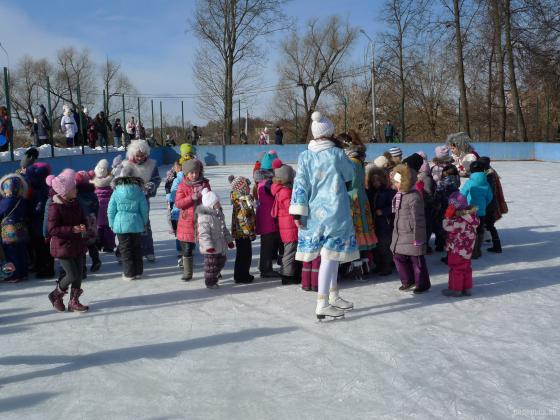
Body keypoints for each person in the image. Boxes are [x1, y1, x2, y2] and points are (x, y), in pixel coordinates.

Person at [289, 111, 357, 320]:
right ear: (329, 133)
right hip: (335, 211)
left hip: (313, 213)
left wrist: (298, 212)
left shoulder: (305, 156)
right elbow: (350, 174)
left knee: (332, 255)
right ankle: (322, 303)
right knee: (330, 255)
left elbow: (300, 185)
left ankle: (334, 295)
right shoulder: (336, 154)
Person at [46, 169, 89, 312]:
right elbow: (52, 229)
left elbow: (83, 219)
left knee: (79, 275)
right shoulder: (55, 207)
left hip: (77, 244)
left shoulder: (76, 203)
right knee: (72, 274)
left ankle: (74, 301)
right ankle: (55, 295)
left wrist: (84, 226)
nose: (76, 190)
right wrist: (72, 229)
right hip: (63, 247)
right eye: (74, 188)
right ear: (65, 191)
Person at [340, 130, 378, 278]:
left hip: (353, 199)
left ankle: (359, 268)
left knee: (356, 236)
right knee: (359, 235)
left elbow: (352, 183)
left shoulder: (353, 162)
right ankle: (363, 266)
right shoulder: (357, 160)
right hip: (360, 198)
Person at [390, 163, 431, 294]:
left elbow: (418, 219)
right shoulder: (399, 195)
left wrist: (418, 238)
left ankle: (422, 283)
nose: (395, 185)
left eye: (397, 182)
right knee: (398, 257)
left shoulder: (414, 197)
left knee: (416, 261)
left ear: (405, 182)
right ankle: (407, 281)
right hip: (400, 234)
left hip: (412, 235)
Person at [117, 140, 161, 261]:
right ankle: (124, 252)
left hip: (143, 200)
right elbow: (120, 181)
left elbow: (156, 179)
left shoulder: (151, 164)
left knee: (144, 223)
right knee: (127, 224)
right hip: (128, 201)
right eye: (137, 155)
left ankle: (148, 250)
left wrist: (151, 186)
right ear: (132, 154)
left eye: (143, 155)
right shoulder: (126, 165)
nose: (140, 158)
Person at [175, 159, 211, 281]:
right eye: (191, 173)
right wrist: (192, 197)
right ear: (186, 174)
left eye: (196, 172)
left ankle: (212, 269)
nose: (194, 175)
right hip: (187, 222)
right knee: (187, 249)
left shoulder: (205, 184)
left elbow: (211, 199)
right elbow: (179, 203)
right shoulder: (182, 186)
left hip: (203, 220)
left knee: (207, 246)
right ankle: (187, 272)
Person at [441, 192, 479, 297]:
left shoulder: (458, 220)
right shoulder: (471, 217)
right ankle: (467, 288)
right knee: (466, 268)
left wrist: (447, 217)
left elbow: (446, 226)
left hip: (456, 249)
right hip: (467, 250)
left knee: (456, 269)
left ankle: (455, 289)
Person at [197, 189, 234, 289]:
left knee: (222, 260)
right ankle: (210, 282)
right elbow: (203, 234)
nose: (219, 204)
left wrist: (229, 241)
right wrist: (208, 246)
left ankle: (215, 275)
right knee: (211, 266)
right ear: (211, 204)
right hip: (211, 247)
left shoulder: (219, 214)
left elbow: (224, 229)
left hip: (220, 245)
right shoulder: (204, 217)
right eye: (217, 202)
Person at [271, 159, 300, 284]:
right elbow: (291, 208)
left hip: (286, 225)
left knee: (289, 250)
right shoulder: (285, 191)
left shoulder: (281, 189)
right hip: (289, 225)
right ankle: (287, 276)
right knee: (290, 251)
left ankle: (288, 272)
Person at [25, 162, 55, 278]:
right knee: (41, 248)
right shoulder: (44, 187)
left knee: (43, 248)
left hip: (39, 223)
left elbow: (40, 207)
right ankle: (42, 266)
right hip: (39, 223)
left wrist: (31, 211)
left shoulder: (38, 190)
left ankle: (47, 269)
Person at [255, 150, 281, 278]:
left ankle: (264, 266)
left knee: (267, 244)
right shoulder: (269, 184)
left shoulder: (261, 182)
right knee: (267, 245)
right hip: (268, 218)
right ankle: (265, 269)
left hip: (265, 217)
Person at [366, 166, 396, 276]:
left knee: (385, 246)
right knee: (376, 247)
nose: (375, 183)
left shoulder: (389, 192)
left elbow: (394, 207)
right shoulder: (370, 192)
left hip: (385, 223)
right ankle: (378, 265)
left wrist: (383, 212)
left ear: (382, 180)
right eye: (373, 180)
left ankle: (386, 266)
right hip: (374, 223)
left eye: (377, 180)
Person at [0, 174, 30, 282]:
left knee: (12, 253)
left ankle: (15, 275)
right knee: (22, 251)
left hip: (9, 230)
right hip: (22, 228)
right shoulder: (22, 200)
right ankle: (23, 273)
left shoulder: (4, 202)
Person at [460, 161, 493, 259]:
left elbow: (462, 194)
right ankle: (478, 249)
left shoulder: (470, 182)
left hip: (470, 211)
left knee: (471, 230)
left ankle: (472, 251)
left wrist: (462, 206)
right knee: (480, 230)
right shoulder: (486, 182)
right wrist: (483, 205)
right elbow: (489, 197)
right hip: (482, 211)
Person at [229, 175, 256, 284]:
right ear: (242, 188)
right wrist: (250, 232)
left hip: (240, 232)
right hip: (244, 232)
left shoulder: (239, 198)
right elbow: (246, 217)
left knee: (242, 254)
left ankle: (240, 274)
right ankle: (242, 276)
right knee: (245, 255)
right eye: (248, 186)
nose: (250, 188)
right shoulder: (243, 200)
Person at [478, 156, 508, 253]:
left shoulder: (488, 173)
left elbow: (487, 188)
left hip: (488, 203)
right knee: (489, 225)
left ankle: (480, 246)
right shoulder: (491, 171)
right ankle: (496, 244)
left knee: (486, 224)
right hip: (492, 202)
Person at [75, 171, 101, 273]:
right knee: (91, 242)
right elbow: (96, 206)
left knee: (81, 243)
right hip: (92, 219)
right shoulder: (92, 193)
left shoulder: (76, 194)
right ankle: (96, 260)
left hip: (81, 221)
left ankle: (83, 267)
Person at [92, 159, 115, 253]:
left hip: (98, 209)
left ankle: (98, 244)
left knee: (99, 228)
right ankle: (109, 246)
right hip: (109, 210)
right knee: (109, 229)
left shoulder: (94, 184)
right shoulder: (111, 183)